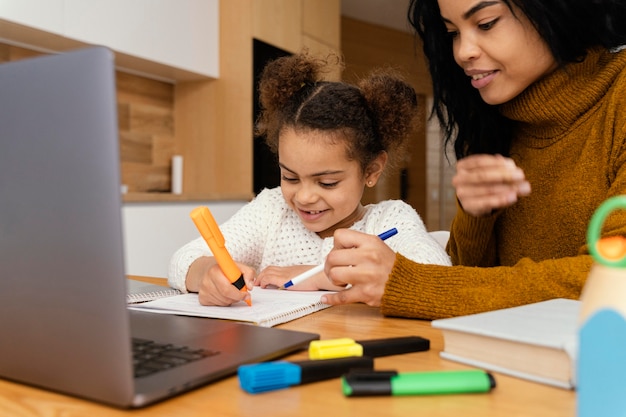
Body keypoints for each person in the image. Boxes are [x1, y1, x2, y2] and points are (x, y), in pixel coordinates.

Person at [321, 0, 626, 319]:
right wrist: (476, 217)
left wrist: (414, 285)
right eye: (452, 32)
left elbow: (616, 276)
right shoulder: (498, 120)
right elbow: (473, 283)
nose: (462, 52)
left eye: (486, 23)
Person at [168, 51, 451, 306]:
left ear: (371, 171)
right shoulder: (272, 210)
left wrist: (324, 278)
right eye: (290, 177)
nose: (303, 197)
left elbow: (437, 276)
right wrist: (208, 275)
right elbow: (181, 260)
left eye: (327, 183)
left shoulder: (392, 220)